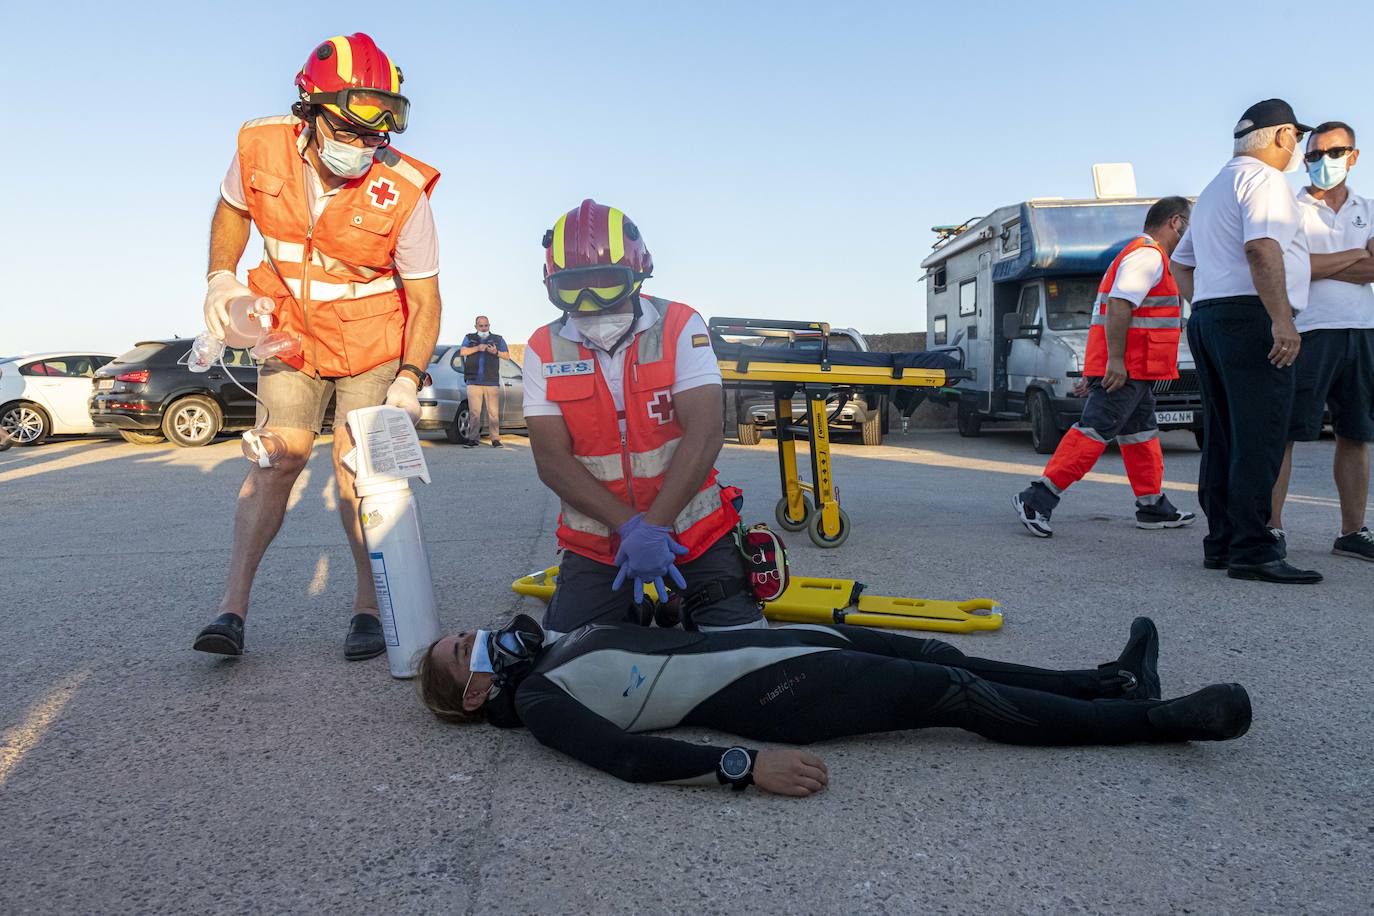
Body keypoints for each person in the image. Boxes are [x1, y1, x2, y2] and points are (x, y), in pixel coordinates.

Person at [192, 33, 444, 658]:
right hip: (290, 336)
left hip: (372, 344)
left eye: (376, 134)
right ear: (309, 109)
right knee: (275, 459)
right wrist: (220, 278)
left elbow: (426, 298)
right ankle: (231, 611)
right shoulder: (259, 145)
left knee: (358, 472)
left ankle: (368, 605)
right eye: (350, 130)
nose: (364, 147)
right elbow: (231, 209)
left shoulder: (405, 190)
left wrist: (411, 377)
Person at [414, 615, 1251, 797]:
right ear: (475, 692)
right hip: (781, 693)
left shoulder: (555, 645)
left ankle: (1102, 682)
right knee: (950, 694)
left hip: (791, 641)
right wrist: (743, 766)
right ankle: (1155, 721)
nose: (478, 636)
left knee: (937, 652)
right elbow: (628, 759)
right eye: (464, 650)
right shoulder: (542, 703)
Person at [522, 199, 762, 638]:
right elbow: (551, 461)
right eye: (574, 287)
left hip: (695, 532)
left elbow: (706, 434)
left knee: (745, 653)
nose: (591, 302)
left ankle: (674, 604)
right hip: (599, 545)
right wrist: (629, 527)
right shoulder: (543, 347)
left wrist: (652, 528)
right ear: (551, 285)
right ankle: (639, 610)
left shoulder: (680, 325)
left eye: (607, 283)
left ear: (639, 274)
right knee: (562, 661)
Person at [1170, 99, 1322, 584]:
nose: (1297, 148)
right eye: (1296, 138)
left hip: (1212, 316)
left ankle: (1223, 541)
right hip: (1251, 315)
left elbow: (1181, 262)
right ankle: (1254, 550)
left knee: (1224, 435)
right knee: (1259, 435)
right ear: (1280, 136)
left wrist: (1207, 306)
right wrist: (1281, 320)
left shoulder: (1216, 187)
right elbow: (1261, 247)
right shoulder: (1266, 180)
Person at [1014, 198, 1197, 537]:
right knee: (1094, 431)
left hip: (1133, 370)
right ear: (1176, 222)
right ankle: (1037, 498)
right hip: (1125, 369)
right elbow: (1118, 305)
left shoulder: (1142, 255)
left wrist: (1100, 366)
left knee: (1140, 434)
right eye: (1191, 223)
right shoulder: (1147, 256)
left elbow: (1107, 314)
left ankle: (1152, 507)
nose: (1193, 232)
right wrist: (1112, 362)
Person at [1270, 122, 1374, 563]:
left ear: (1352, 156)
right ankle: (1271, 528)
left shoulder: (1368, 208)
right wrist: (1358, 256)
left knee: (1356, 434)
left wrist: (1317, 263)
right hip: (1307, 332)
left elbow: (1315, 266)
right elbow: (1292, 268)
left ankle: (1352, 532)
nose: (1320, 162)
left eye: (1332, 153)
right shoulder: (1289, 208)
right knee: (1287, 434)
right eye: (1312, 155)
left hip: (1363, 331)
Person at [458, 315, 510, 448]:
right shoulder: (469, 338)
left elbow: (507, 356)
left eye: (486, 325)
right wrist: (477, 348)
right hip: (473, 382)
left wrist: (496, 352)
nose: (484, 328)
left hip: (491, 382)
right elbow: (462, 352)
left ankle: (495, 439)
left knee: (493, 413)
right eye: (481, 326)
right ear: (476, 327)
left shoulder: (498, 339)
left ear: (489, 326)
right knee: (474, 413)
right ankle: (473, 439)